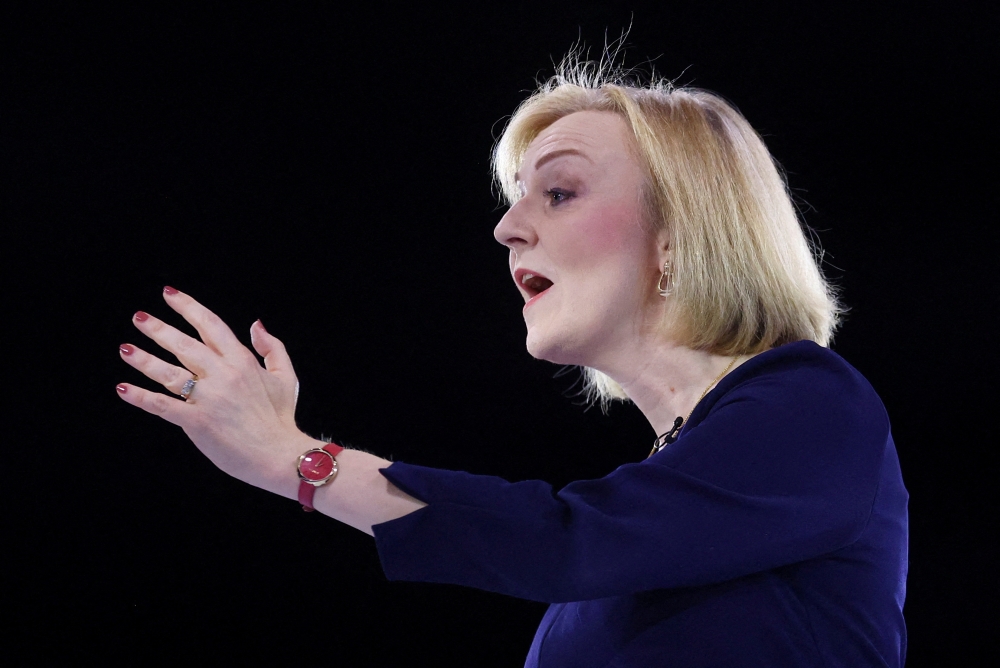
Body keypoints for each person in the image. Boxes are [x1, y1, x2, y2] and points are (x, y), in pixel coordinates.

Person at [116, 62, 908, 667]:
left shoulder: (815, 402)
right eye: (516, 196)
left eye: (559, 192)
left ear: (680, 238)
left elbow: (564, 543)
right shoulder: (655, 518)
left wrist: (299, 462)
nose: (505, 229)